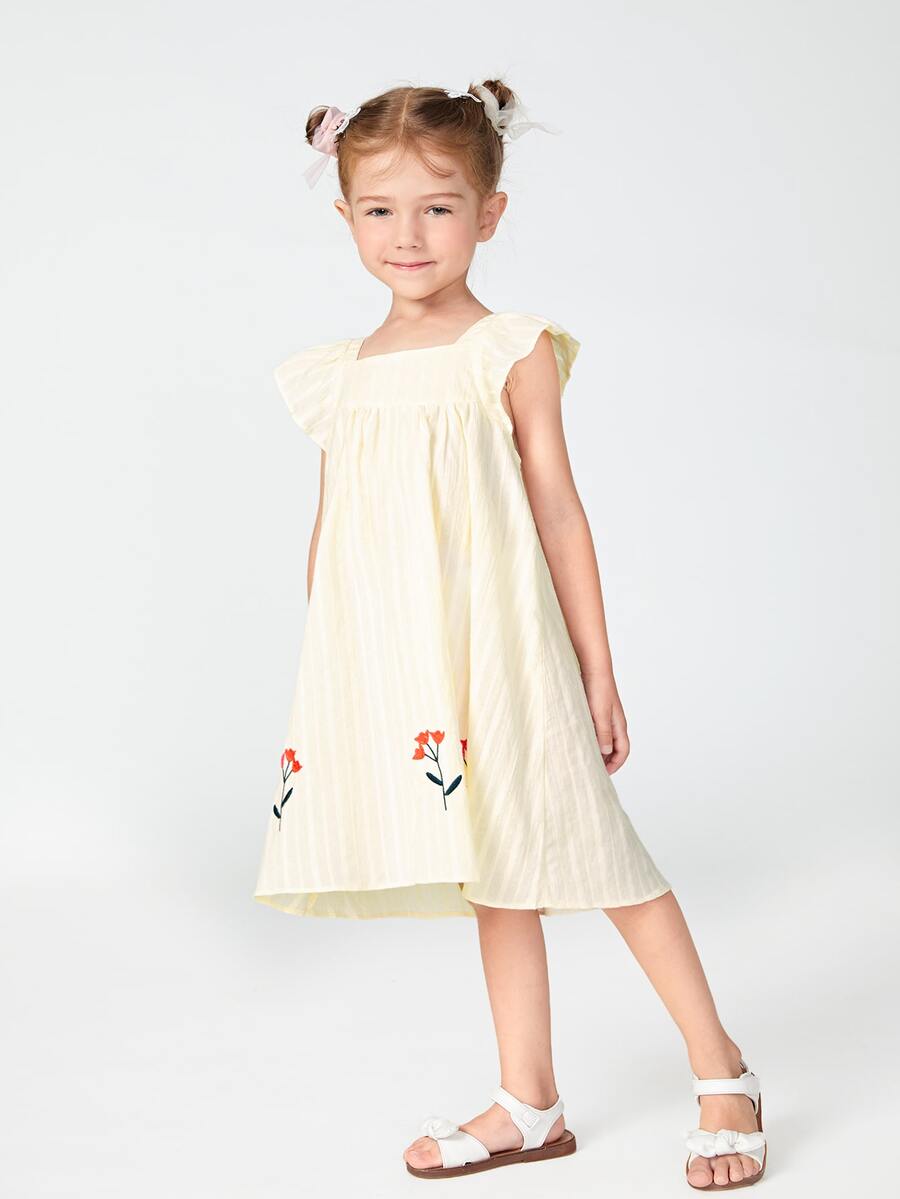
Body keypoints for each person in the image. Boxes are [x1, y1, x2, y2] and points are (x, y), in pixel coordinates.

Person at [253, 79, 767, 1190]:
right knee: (490, 865)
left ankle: (722, 1067)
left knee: (603, 855)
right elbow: (335, 529)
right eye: (380, 209)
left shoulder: (510, 349)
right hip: (409, 661)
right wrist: (338, 675)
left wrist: (598, 668)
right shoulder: (340, 376)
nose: (408, 234)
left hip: (507, 649)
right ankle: (530, 1099)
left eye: (437, 207)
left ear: (488, 213)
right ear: (345, 217)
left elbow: (559, 511)